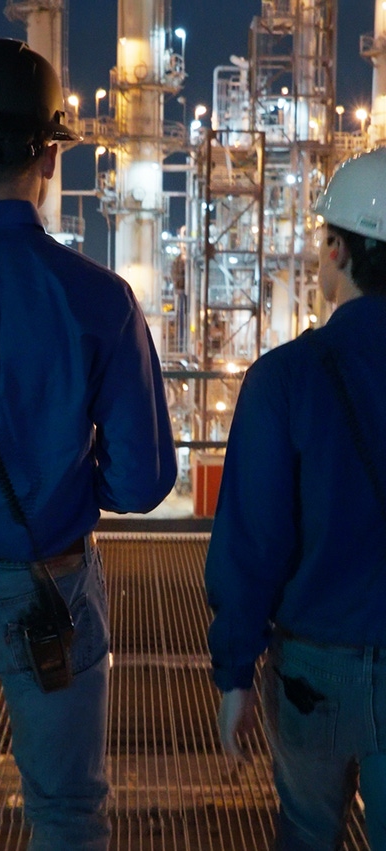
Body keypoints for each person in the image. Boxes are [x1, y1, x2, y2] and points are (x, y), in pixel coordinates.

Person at [0, 39, 177, 851]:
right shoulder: (98, 299)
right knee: (65, 808)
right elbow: (141, 480)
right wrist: (62, 480)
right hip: (48, 590)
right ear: (52, 159)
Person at [204, 145, 386, 851]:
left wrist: (234, 673)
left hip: (315, 668)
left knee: (308, 830)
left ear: (337, 248)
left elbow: (254, 542)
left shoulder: (285, 378)